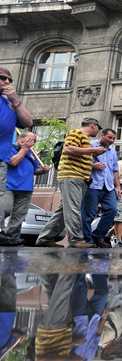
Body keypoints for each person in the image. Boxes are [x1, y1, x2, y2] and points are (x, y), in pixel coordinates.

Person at [36, 117, 106, 248]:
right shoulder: (76, 133)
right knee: (73, 209)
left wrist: (91, 154)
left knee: (64, 210)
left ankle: (45, 238)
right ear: (93, 126)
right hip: (71, 176)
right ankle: (76, 240)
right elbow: (68, 149)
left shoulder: (84, 139)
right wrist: (93, 150)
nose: (97, 131)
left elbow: (79, 154)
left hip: (79, 178)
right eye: (97, 128)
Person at [0, 67, 33, 246]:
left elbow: (28, 122)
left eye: (9, 80)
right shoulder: (17, 148)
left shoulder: (7, 103)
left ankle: (5, 234)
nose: (7, 82)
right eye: (3, 78)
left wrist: (15, 101)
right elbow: (15, 161)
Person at [3, 132, 50, 240]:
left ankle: (12, 238)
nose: (32, 143)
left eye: (34, 141)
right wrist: (24, 149)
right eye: (30, 139)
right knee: (5, 209)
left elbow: (35, 170)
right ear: (21, 137)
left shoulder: (31, 153)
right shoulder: (9, 148)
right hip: (9, 186)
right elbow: (13, 162)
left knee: (19, 215)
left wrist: (43, 171)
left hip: (26, 188)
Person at [81, 129, 120, 248]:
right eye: (109, 137)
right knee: (89, 214)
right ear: (102, 135)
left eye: (113, 138)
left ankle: (98, 236)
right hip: (93, 185)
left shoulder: (112, 152)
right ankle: (88, 239)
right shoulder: (91, 146)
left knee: (112, 210)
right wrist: (93, 165)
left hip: (108, 186)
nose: (112, 140)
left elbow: (115, 169)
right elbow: (80, 162)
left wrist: (118, 186)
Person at [65, 274, 109, 361]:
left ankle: (82, 261)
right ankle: (97, 265)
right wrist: (104, 318)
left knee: (81, 286)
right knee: (103, 293)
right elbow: (97, 335)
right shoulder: (89, 356)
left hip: (78, 317)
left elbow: (57, 346)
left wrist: (72, 342)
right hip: (94, 317)